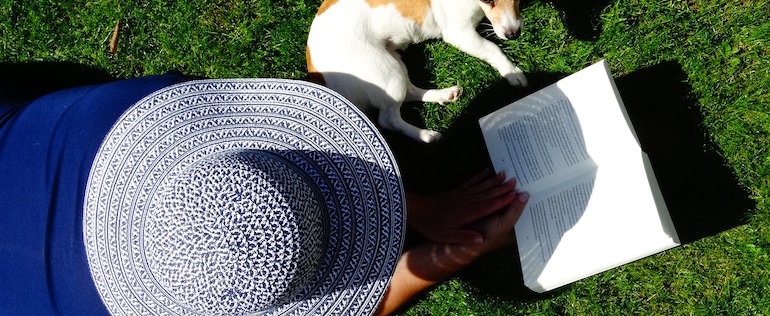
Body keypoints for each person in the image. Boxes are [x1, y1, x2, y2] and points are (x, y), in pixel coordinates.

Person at [0, 72, 527, 315]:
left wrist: (425, 210)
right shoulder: (148, 107)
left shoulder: (155, 105)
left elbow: (279, 151)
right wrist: (447, 253)